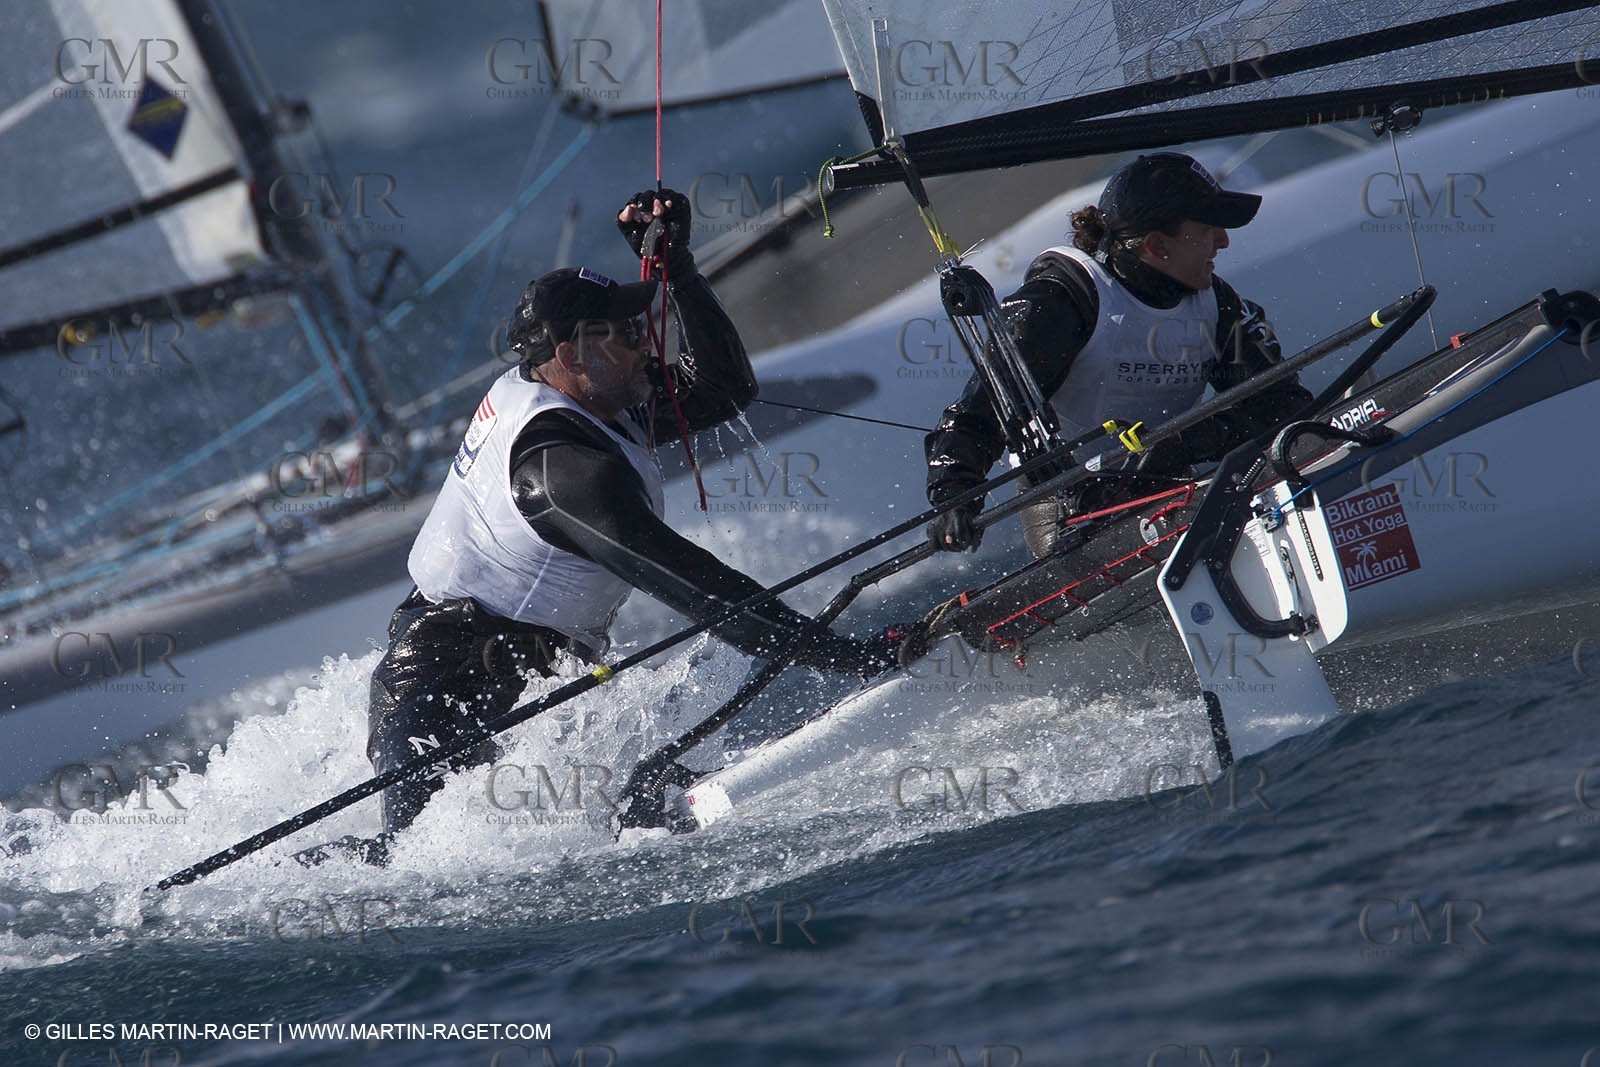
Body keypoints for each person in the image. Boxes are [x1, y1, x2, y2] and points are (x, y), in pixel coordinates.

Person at [362, 189, 910, 851]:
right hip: (442, 705)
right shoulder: (561, 472)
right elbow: (704, 592)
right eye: (623, 334)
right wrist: (855, 658)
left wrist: (679, 270)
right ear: (569, 354)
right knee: (415, 866)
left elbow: (724, 390)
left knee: (617, 808)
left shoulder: (598, 399)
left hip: (519, 687)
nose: (643, 343)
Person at [923, 152, 1314, 558]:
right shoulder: (1058, 305)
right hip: (1072, 504)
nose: (1224, 240)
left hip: (1179, 479)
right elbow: (978, 414)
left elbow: (1283, 404)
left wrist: (1183, 443)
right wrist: (956, 494)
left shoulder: (1219, 307)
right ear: (1157, 245)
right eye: (1207, 228)